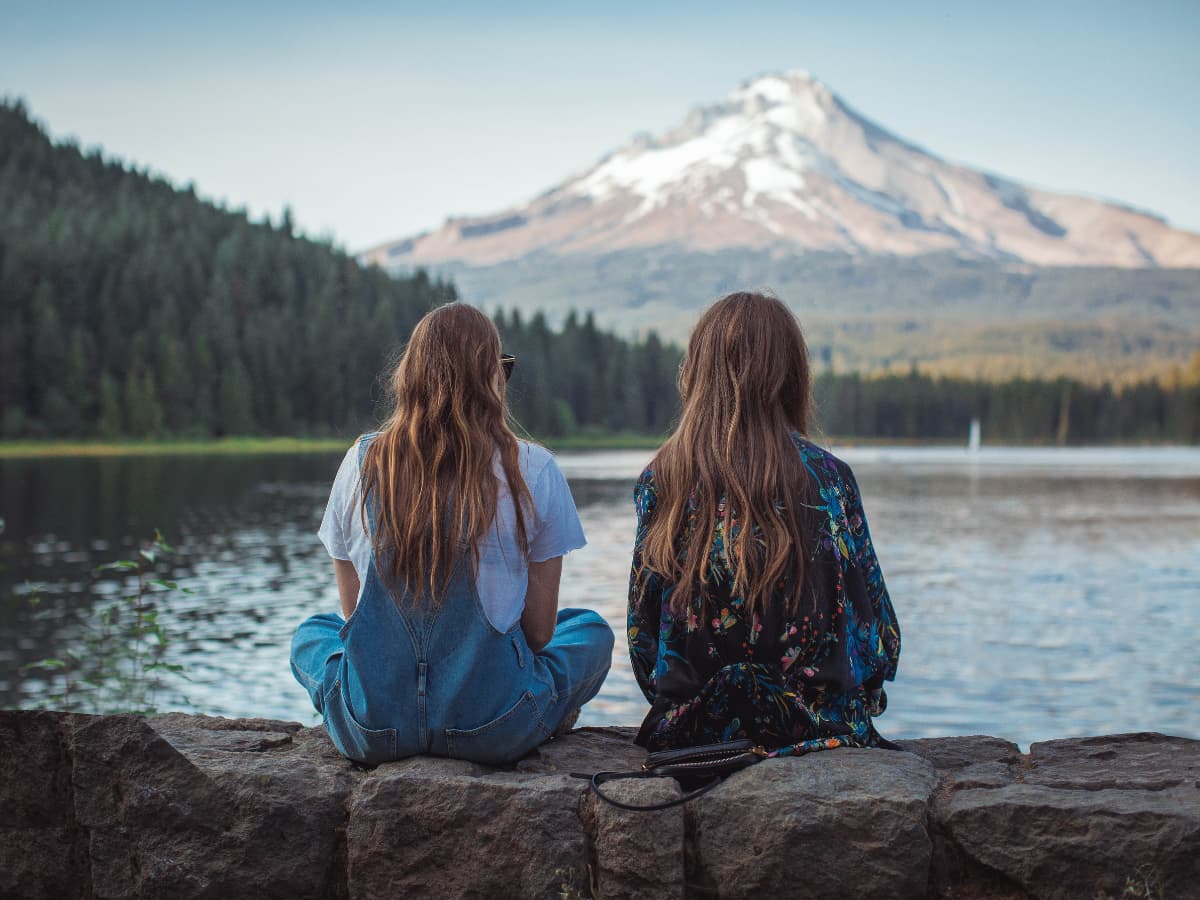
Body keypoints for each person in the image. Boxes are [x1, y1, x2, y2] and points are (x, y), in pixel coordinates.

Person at [291, 302, 613, 765]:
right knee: (589, 630)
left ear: (411, 376)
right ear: (492, 380)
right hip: (493, 728)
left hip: (375, 729)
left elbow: (353, 621)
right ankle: (546, 707)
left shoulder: (362, 463)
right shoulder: (533, 468)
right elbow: (540, 634)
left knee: (312, 633)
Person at [627, 291, 900, 756]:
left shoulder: (662, 479)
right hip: (815, 727)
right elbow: (879, 640)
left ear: (697, 372)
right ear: (792, 376)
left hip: (695, 729)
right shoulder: (830, 479)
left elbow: (643, 641)